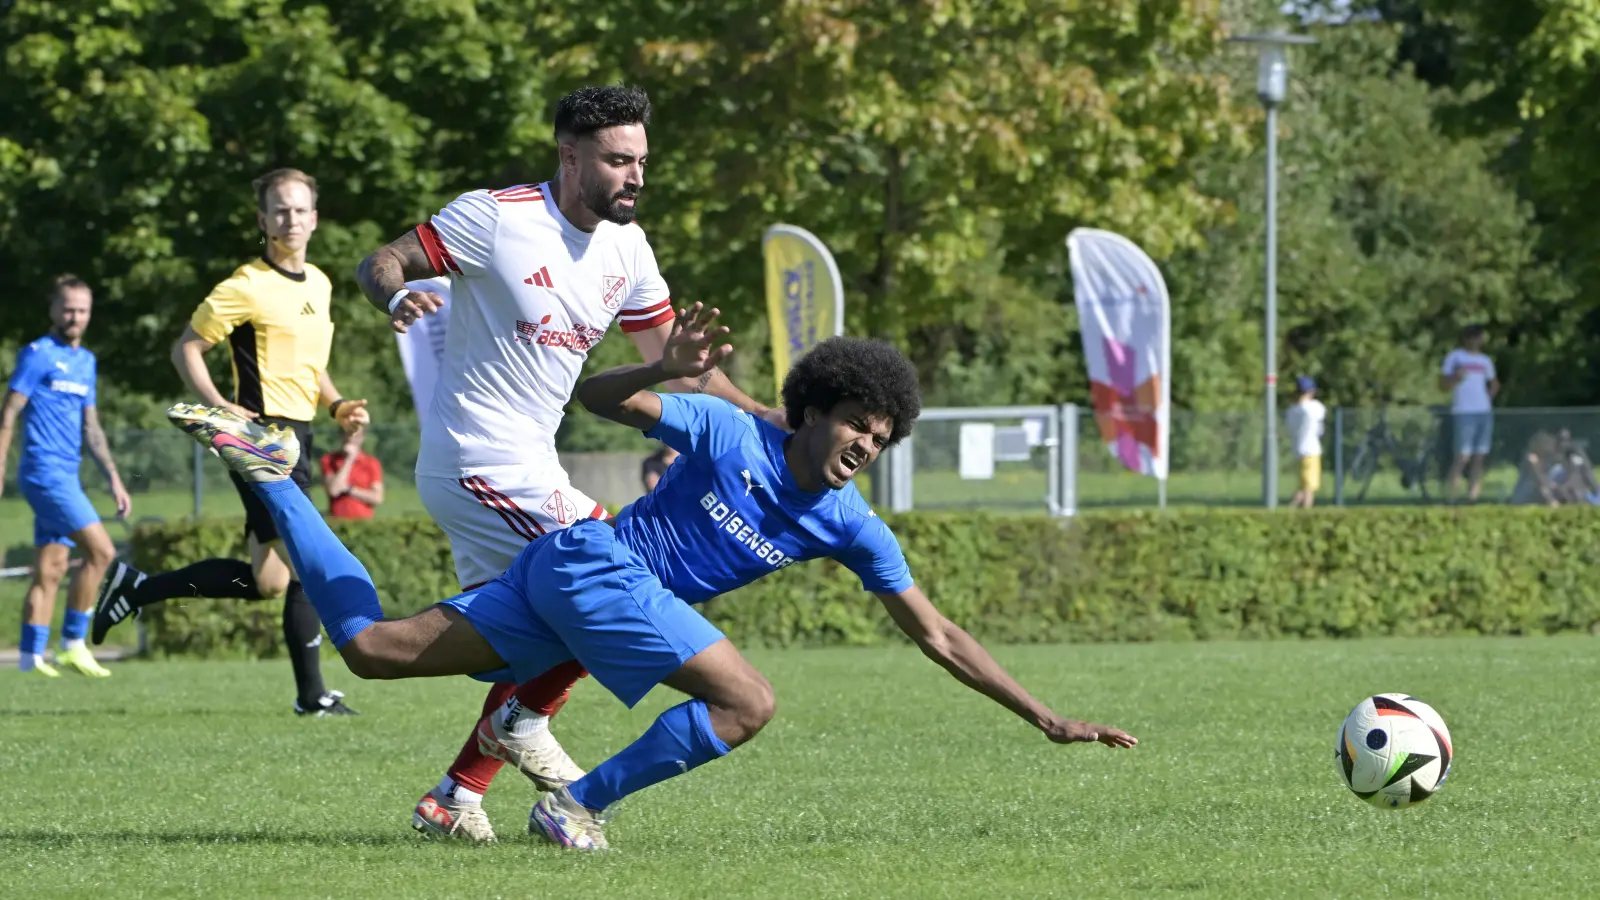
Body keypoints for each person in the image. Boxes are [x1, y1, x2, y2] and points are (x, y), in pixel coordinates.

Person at [165, 316, 1139, 851]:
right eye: (856, 422)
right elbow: (595, 400)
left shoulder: (850, 525)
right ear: (811, 409)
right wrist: (662, 368)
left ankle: (275, 474)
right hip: (595, 567)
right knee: (748, 702)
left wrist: (1045, 717)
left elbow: (939, 634)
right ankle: (571, 804)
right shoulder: (728, 430)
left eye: (882, 438)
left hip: (571, 584)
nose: (866, 445)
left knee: (372, 652)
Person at [356, 85, 779, 839]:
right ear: (570, 155)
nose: (636, 176)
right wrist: (395, 299)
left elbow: (678, 366)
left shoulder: (629, 248)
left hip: (530, 468)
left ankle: (455, 796)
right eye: (618, 160)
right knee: (609, 574)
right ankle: (507, 719)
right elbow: (383, 259)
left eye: (641, 160)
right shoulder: (497, 217)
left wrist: (765, 417)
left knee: (546, 629)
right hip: (476, 459)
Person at [92, 168, 371, 716]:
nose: (290, 219)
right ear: (263, 220)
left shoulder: (319, 283)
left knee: (269, 581)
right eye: (279, 210)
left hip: (302, 433)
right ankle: (313, 697)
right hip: (260, 440)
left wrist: (337, 404)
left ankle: (136, 588)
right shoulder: (245, 285)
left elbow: (310, 364)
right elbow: (186, 349)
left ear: (315, 218)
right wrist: (220, 405)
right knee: (307, 562)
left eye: (300, 209)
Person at [0, 275, 130, 677]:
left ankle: (29, 660)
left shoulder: (86, 362)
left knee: (51, 567)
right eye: (68, 309)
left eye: (82, 310)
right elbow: (8, 413)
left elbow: (91, 427)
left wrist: (113, 477)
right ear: (54, 309)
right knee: (102, 553)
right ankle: (73, 642)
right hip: (44, 473)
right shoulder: (37, 354)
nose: (75, 317)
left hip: (68, 475)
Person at [1441, 325, 1499, 503]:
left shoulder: (1485, 360)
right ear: (1465, 339)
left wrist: (1487, 398)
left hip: (1483, 412)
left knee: (1479, 456)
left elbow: (1494, 383)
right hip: (1463, 411)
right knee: (1462, 456)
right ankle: (1451, 496)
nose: (1475, 341)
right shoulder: (1455, 357)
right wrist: (1455, 378)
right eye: (1472, 337)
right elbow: (1443, 386)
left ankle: (1472, 497)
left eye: (1478, 337)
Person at [321, 426, 384, 519]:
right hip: (337, 520)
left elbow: (377, 498)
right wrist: (349, 460)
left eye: (356, 436)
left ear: (362, 438)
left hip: (363, 520)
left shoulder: (371, 463)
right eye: (348, 434)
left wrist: (349, 489)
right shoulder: (329, 460)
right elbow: (333, 490)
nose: (351, 439)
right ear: (341, 435)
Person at [1285, 376, 1326, 509]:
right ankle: (1305, 512)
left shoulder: (1291, 410)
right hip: (1311, 449)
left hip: (1298, 449)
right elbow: (1320, 418)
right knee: (1309, 488)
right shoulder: (1313, 408)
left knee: (1303, 486)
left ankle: (1290, 510)